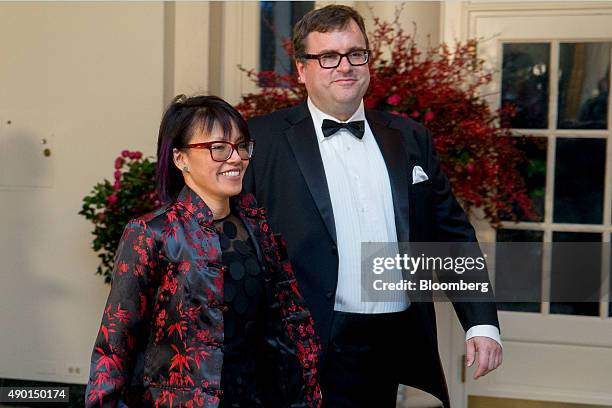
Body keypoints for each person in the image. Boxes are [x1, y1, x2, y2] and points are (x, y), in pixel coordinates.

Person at [244, 5, 502, 407]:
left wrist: (481, 322)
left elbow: (451, 235)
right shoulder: (262, 141)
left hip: (393, 340)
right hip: (300, 348)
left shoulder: (411, 136)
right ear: (301, 69)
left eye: (355, 54)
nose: (344, 67)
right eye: (328, 57)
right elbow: (234, 245)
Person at [85, 95, 321, 408]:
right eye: (219, 147)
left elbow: (290, 327)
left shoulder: (256, 225)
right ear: (181, 158)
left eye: (241, 146)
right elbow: (115, 343)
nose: (235, 158)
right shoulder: (151, 233)